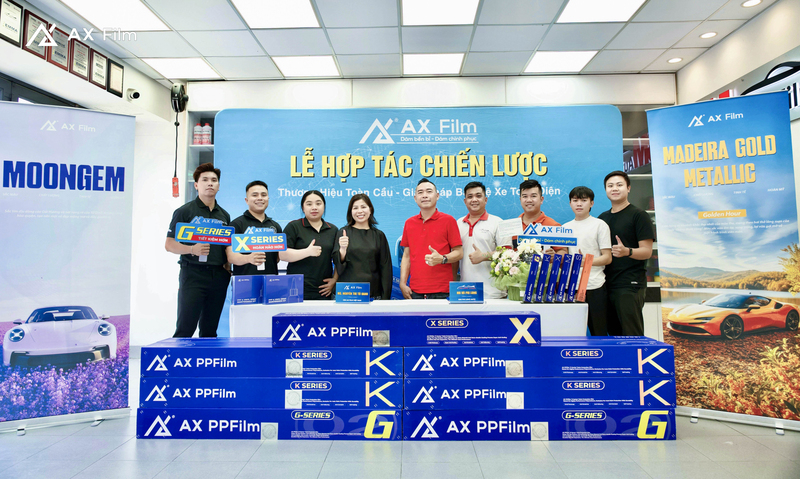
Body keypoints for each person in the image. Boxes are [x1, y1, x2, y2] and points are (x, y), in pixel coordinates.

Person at [165, 162, 231, 338]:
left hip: (218, 277)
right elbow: (169, 244)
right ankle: (179, 357)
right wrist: (192, 249)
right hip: (193, 275)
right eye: (205, 180)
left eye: (214, 180)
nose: (210, 183)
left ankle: (207, 357)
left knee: (210, 330)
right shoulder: (184, 212)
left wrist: (227, 267)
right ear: (196, 185)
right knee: (185, 328)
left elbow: (226, 246)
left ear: (218, 186)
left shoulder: (224, 215)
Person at [598, 170, 654, 336]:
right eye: (610, 186)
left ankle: (636, 355)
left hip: (630, 284)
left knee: (631, 334)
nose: (614, 188)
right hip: (606, 284)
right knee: (613, 334)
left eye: (619, 185)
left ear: (628, 188)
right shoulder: (602, 219)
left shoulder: (639, 215)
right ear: (606, 190)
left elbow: (647, 251)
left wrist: (627, 251)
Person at [400, 178, 463, 299]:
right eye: (420, 192)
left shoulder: (448, 221)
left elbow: (459, 252)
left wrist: (442, 259)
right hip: (415, 290)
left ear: (437, 196)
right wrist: (402, 283)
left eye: (429, 191)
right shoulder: (409, 223)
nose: (424, 195)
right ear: (415, 198)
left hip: (442, 290)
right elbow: (406, 256)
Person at [563, 186, 612, 335]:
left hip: (594, 286)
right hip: (571, 287)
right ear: (570, 203)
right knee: (572, 333)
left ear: (591, 203)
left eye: (584, 200)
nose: (579, 204)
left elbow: (607, 257)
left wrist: (586, 262)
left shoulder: (600, 225)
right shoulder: (565, 228)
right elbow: (564, 256)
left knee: (599, 332)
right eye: (575, 200)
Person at [280, 190, 338, 300]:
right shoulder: (293, 226)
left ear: (324, 206)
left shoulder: (333, 230)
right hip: (297, 288)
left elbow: (338, 259)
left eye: (318, 203)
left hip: (323, 290)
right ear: (303, 208)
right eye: (309, 204)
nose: (314, 207)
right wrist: (307, 252)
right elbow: (282, 254)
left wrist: (334, 279)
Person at [333, 194, 393, 300]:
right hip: (346, 294)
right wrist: (342, 250)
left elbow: (386, 268)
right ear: (350, 212)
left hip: (373, 294)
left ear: (370, 210)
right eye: (355, 208)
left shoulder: (379, 235)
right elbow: (338, 266)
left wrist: (385, 298)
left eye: (363, 207)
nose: (359, 211)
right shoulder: (343, 233)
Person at [456, 181, 505, 298]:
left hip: (493, 293)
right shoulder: (458, 223)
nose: (474, 199)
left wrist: (483, 256)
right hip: (465, 292)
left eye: (478, 196)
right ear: (465, 201)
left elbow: (507, 253)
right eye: (470, 196)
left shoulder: (499, 222)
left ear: (485, 199)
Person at [226, 180, 282, 275]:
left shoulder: (275, 226)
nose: (260, 198)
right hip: (245, 280)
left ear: (268, 198)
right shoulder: (236, 224)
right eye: (255, 195)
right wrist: (248, 258)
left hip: (271, 279)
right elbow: (231, 256)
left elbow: (277, 258)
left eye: (263, 195)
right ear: (246, 200)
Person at [505, 179, 563, 253]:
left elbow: (563, 251)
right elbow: (505, 251)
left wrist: (554, 256)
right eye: (525, 196)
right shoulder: (511, 226)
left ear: (541, 200)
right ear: (520, 200)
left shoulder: (554, 226)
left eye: (533, 196)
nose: (529, 200)